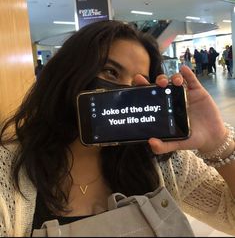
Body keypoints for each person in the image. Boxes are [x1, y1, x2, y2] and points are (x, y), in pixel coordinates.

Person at [0, 20, 235, 237]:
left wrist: (218, 141)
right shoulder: (8, 171)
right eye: (111, 72)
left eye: (137, 83)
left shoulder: (165, 162)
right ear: (69, 72)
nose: (124, 93)